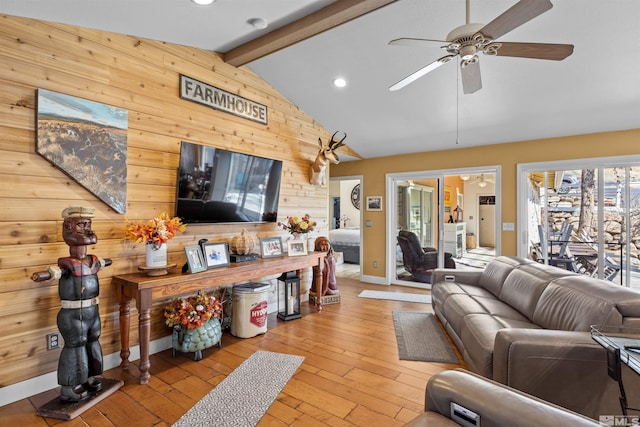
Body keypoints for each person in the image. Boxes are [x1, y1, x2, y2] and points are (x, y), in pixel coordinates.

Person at [32, 207, 112, 402]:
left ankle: (89, 377)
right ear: (68, 227)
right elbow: (51, 274)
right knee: (75, 345)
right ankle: (69, 386)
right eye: (81, 224)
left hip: (93, 310)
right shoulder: (65, 264)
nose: (87, 229)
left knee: (93, 341)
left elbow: (101, 263)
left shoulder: (93, 261)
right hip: (73, 314)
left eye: (88, 224)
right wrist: (45, 275)